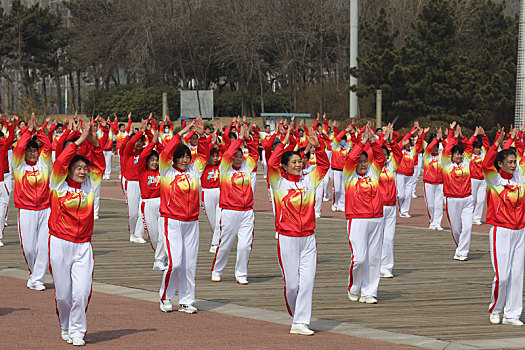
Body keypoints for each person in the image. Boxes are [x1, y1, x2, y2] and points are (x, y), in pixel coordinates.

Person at [48, 120, 105, 346]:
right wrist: (79, 141)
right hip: (59, 243)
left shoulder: (90, 186)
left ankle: (77, 331)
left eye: (85, 169)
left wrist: (95, 142)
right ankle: (65, 324)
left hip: (83, 245)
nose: (83, 172)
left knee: (81, 293)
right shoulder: (58, 185)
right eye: (78, 168)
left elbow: (99, 164)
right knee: (63, 295)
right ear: (70, 170)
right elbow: (60, 161)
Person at [268, 127, 328, 335]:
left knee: (308, 282)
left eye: (299, 161)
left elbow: (324, 165)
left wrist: (318, 147)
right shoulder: (278, 182)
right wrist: (284, 143)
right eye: (293, 162)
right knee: (292, 285)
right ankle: (296, 316)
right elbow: (270, 163)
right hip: (287, 238)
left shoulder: (309, 180)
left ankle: (301, 322)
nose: (297, 164)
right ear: (284, 166)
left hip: (308, 239)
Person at [158, 117, 209, 314]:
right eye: (181, 156)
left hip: (191, 222)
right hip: (172, 221)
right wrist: (180, 134)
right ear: (175, 158)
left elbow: (204, 154)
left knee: (189, 263)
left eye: (187, 156)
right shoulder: (166, 171)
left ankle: (187, 300)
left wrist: (202, 135)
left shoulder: (194, 172)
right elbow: (165, 152)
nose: (185, 160)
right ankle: (165, 296)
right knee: (175, 262)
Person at [482, 127, 525, 326]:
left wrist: (519, 138)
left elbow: (522, 153)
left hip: (520, 231)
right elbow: (485, 164)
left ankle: (512, 314)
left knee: (517, 274)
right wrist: (498, 143)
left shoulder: (520, 177)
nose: (514, 165)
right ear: (500, 164)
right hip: (501, 230)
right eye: (510, 162)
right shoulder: (494, 179)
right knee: (503, 275)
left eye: (515, 161)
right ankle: (496, 309)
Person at [211, 124, 259, 285]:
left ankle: (241, 274)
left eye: (240, 156)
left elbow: (255, 154)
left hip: (247, 212)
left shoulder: (247, 167)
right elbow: (229, 152)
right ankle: (217, 270)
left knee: (245, 246)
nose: (238, 158)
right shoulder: (225, 168)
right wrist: (239, 139)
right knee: (225, 244)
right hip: (229, 211)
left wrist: (248, 139)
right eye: (235, 156)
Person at [344, 124, 385, 304]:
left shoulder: (374, 173)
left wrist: (374, 141)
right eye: (359, 161)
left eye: (364, 161)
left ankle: (370, 291)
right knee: (359, 258)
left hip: (376, 219)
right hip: (357, 220)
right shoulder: (349, 176)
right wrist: (361, 142)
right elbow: (351, 157)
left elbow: (380, 157)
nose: (362, 164)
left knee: (374, 258)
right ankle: (354, 286)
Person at [13, 113, 52, 291]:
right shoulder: (19, 166)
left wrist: (38, 130)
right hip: (26, 209)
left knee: (43, 246)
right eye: (29, 150)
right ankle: (33, 272)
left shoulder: (43, 164)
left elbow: (48, 146)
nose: (31, 153)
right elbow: (20, 147)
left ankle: (38, 279)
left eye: (34, 150)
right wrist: (28, 131)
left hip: (45, 208)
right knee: (29, 247)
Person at [442, 124, 474, 261]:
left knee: (467, 227)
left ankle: (463, 252)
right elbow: (446, 150)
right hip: (452, 200)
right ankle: (459, 249)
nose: (460, 156)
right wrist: (454, 137)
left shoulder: (466, 163)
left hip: (467, 199)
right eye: (457, 154)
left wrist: (463, 137)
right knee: (456, 229)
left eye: (461, 154)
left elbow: (469, 148)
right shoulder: (446, 165)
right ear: (452, 155)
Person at [136, 130, 165, 270]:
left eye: (156, 160)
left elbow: (166, 154)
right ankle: (160, 255)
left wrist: (158, 144)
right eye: (151, 160)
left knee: (163, 235)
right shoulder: (142, 171)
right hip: (147, 204)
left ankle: (159, 261)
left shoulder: (162, 171)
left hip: (163, 204)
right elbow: (142, 156)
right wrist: (152, 142)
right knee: (154, 237)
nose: (154, 163)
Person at [377, 124, 402, 278]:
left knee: (389, 239)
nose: (384, 157)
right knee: (377, 240)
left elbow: (398, 154)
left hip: (391, 207)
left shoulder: (391, 166)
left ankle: (386, 267)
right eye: (381, 154)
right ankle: (375, 266)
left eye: (386, 154)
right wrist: (382, 139)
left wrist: (391, 142)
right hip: (377, 208)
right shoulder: (373, 168)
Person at [201, 134, 221, 253]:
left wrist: (218, 144)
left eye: (216, 156)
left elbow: (228, 151)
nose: (215, 158)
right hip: (206, 194)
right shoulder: (203, 166)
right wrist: (210, 142)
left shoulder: (221, 165)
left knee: (219, 221)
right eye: (212, 156)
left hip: (220, 193)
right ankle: (219, 240)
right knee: (213, 223)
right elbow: (203, 153)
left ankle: (214, 244)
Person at [423, 128, 445, 230]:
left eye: (437, 147)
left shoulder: (442, 155)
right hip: (428, 182)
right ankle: (432, 221)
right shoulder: (427, 155)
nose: (435, 148)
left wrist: (442, 139)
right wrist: (436, 139)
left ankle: (438, 222)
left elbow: (449, 148)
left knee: (439, 204)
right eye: (433, 147)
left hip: (440, 182)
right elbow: (428, 148)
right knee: (431, 205)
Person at [469, 126, 490, 225]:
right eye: (475, 148)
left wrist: (484, 135)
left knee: (481, 200)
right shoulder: (469, 155)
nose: (477, 150)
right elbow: (468, 144)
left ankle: (477, 218)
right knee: (472, 199)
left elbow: (487, 145)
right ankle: (469, 216)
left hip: (483, 180)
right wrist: (474, 135)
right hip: (473, 179)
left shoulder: (483, 153)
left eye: (478, 148)